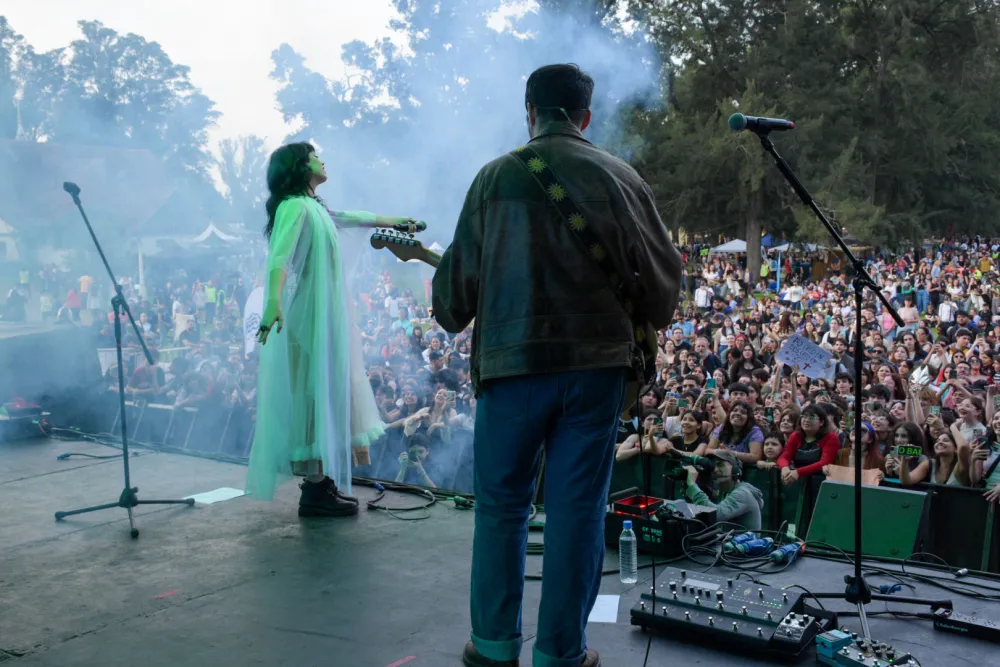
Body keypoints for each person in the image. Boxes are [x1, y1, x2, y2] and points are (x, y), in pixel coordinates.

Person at [433, 64, 681, 667]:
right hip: (594, 372)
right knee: (575, 512)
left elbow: (450, 305)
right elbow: (664, 293)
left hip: (512, 370)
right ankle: (561, 653)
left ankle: (493, 646)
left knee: (502, 507)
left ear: (530, 111)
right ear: (585, 116)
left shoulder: (493, 181)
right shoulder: (622, 179)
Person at [246, 142, 418, 517]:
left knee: (327, 389)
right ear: (300, 166)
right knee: (313, 391)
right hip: (310, 315)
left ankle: (320, 483)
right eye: (314, 156)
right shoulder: (294, 205)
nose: (322, 160)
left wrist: (394, 222)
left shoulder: (315, 207)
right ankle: (314, 489)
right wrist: (272, 300)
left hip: (328, 313)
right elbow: (279, 255)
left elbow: (350, 216)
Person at [680, 449, 764, 530]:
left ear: (735, 469)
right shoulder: (724, 492)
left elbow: (715, 514)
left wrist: (692, 485)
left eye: (720, 465)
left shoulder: (742, 493)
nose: (715, 470)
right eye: (713, 466)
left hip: (741, 544)